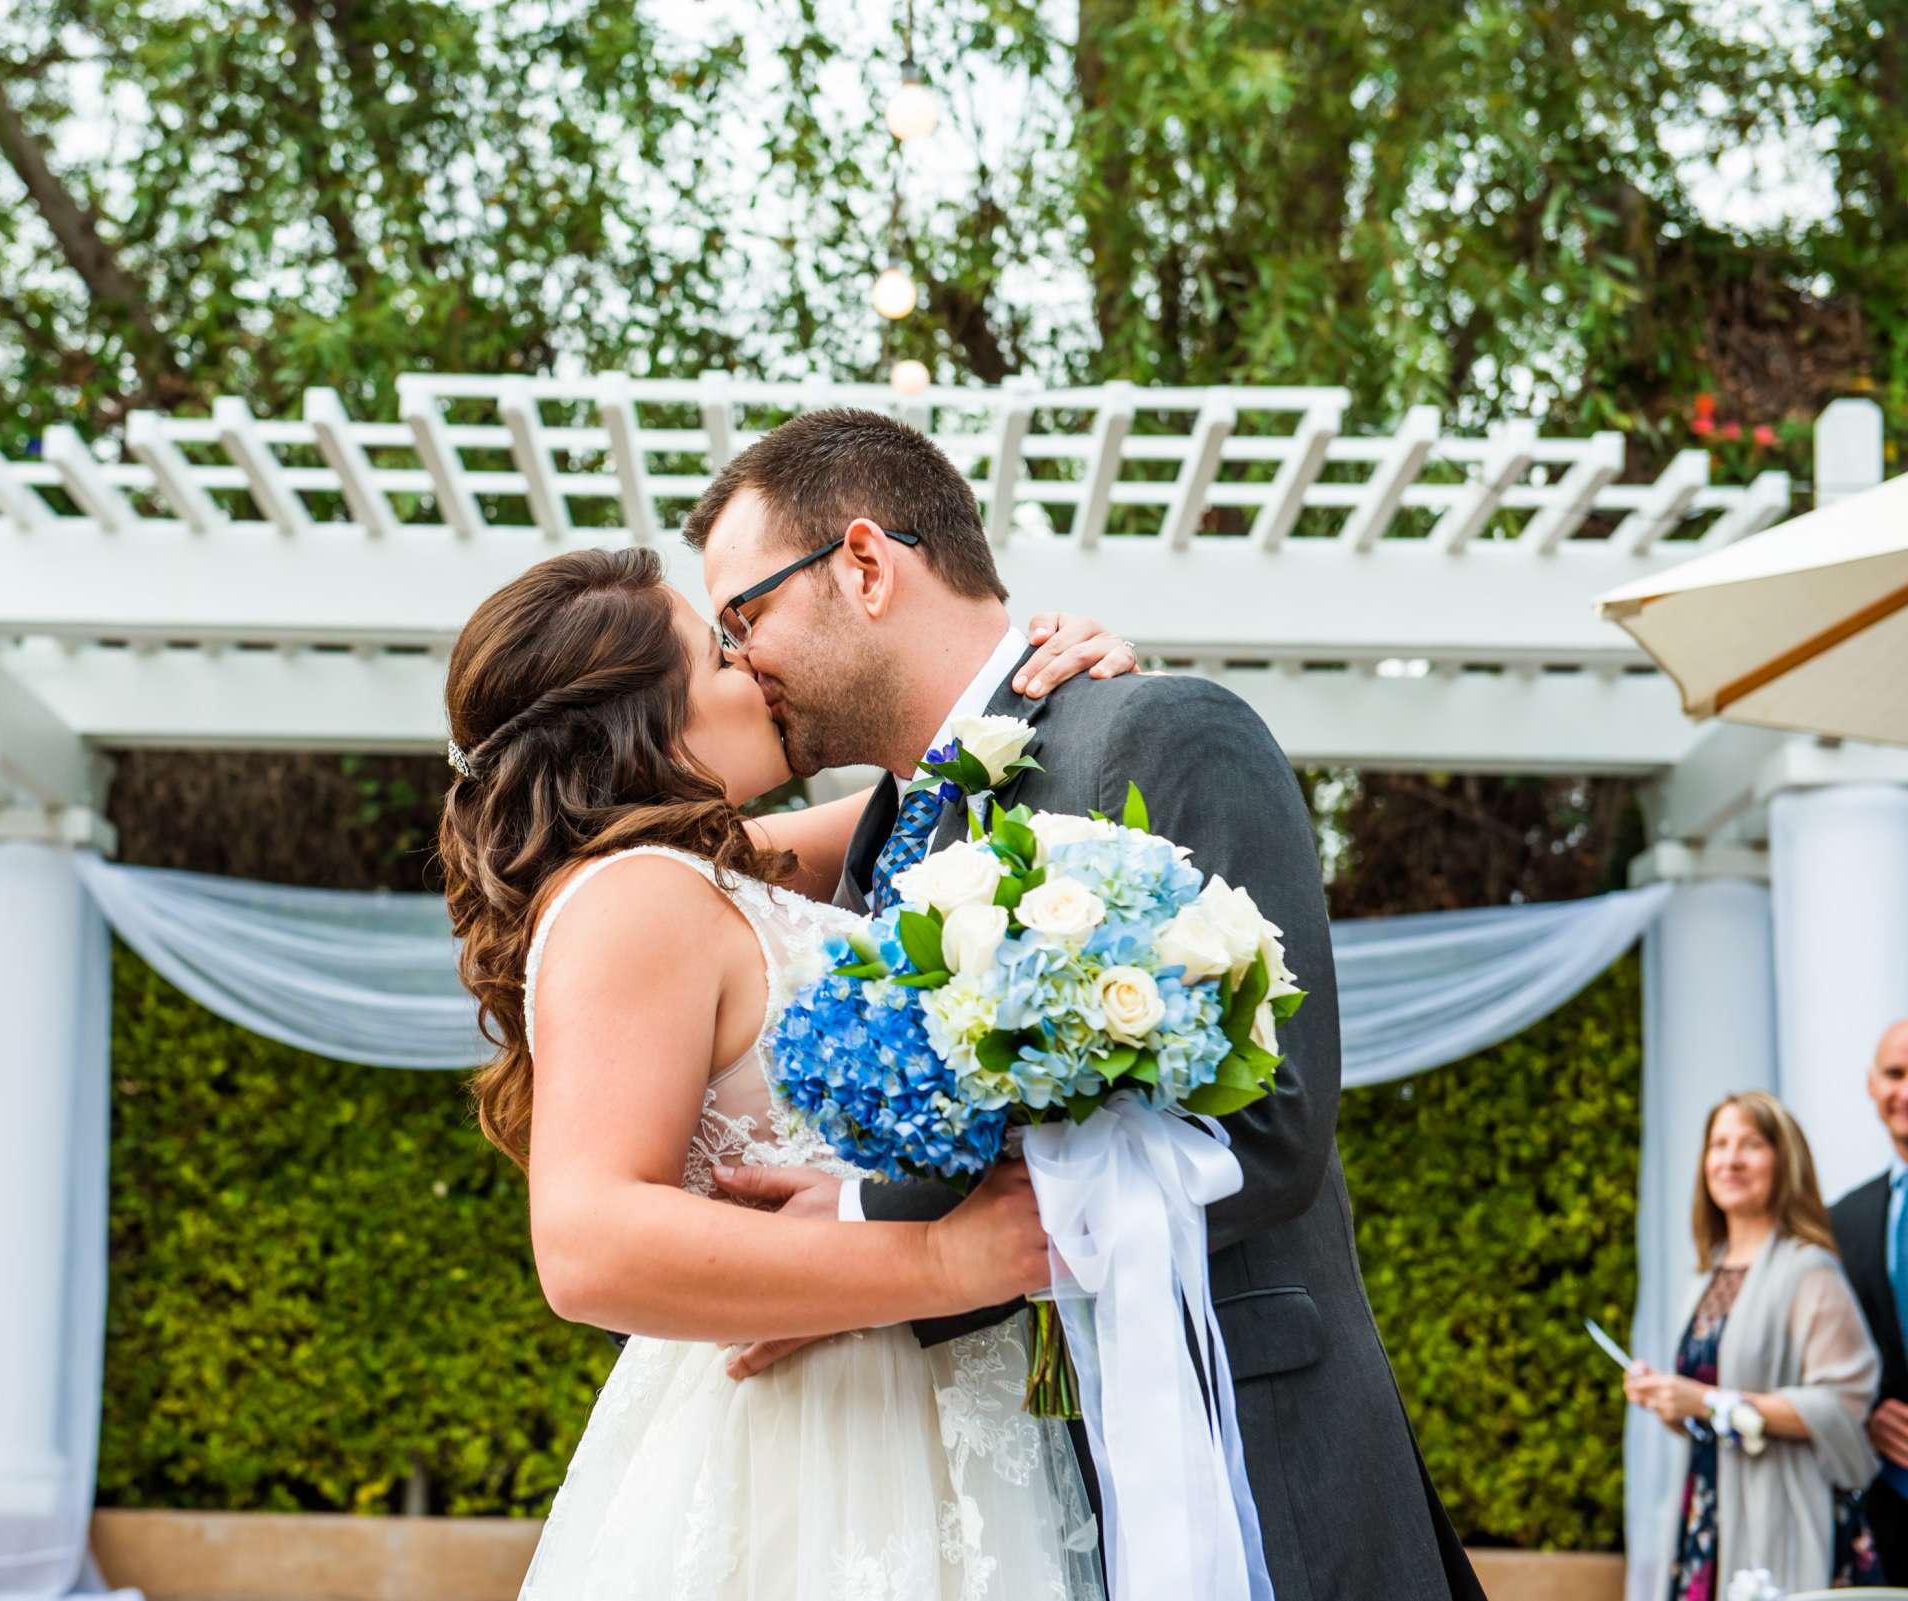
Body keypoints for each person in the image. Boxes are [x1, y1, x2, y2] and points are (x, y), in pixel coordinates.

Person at [688, 408, 1483, 1599]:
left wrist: (862, 1227)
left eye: (743, 617)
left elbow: (1268, 1129)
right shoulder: (870, 846)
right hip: (1003, 1498)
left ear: (863, 563)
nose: (740, 660)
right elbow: (652, 859)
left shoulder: (1157, 729)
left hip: (1244, 1458)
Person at [440, 573, 1137, 1596]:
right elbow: (587, 1243)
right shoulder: (632, 896)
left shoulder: (705, 872)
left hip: (918, 1418)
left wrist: (1054, 680)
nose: (755, 665)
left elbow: (950, 781)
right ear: (639, 718)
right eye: (718, 657)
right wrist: (946, 1259)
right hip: (817, 1449)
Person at [1627, 1090, 1882, 1598]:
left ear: (1782, 1161)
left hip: (1781, 1512)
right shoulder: (1708, 1271)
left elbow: (1845, 1402)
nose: (1731, 1159)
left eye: (1750, 1144)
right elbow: (1712, 1407)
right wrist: (1671, 1402)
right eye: (1719, 1144)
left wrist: (1708, 1401)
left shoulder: (1808, 1268)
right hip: (1707, 1508)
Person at [1828, 1019, 1908, 1576]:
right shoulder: (1843, 1220)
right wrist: (1866, 1413)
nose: (1904, 1092)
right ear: (1870, 1085)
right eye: (1894, 1074)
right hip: (1887, 1508)